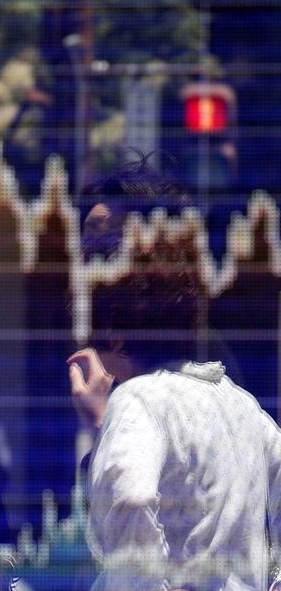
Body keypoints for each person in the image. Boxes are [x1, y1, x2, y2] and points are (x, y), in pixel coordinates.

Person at [67, 161, 281, 591]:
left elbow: (131, 496)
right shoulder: (240, 402)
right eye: (87, 253)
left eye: (109, 251)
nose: (89, 272)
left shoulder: (140, 400)